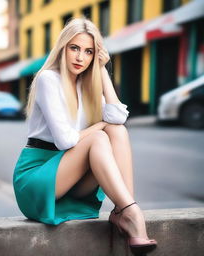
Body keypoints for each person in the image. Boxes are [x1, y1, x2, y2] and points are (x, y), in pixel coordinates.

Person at [13, 17, 157, 255]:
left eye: (89, 52)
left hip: (70, 177)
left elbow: (118, 119)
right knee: (100, 136)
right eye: (75, 48)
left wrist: (101, 71)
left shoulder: (88, 85)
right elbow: (66, 141)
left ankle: (123, 211)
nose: (81, 57)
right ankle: (132, 212)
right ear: (63, 48)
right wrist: (101, 125)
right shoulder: (49, 79)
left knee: (116, 130)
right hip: (36, 178)